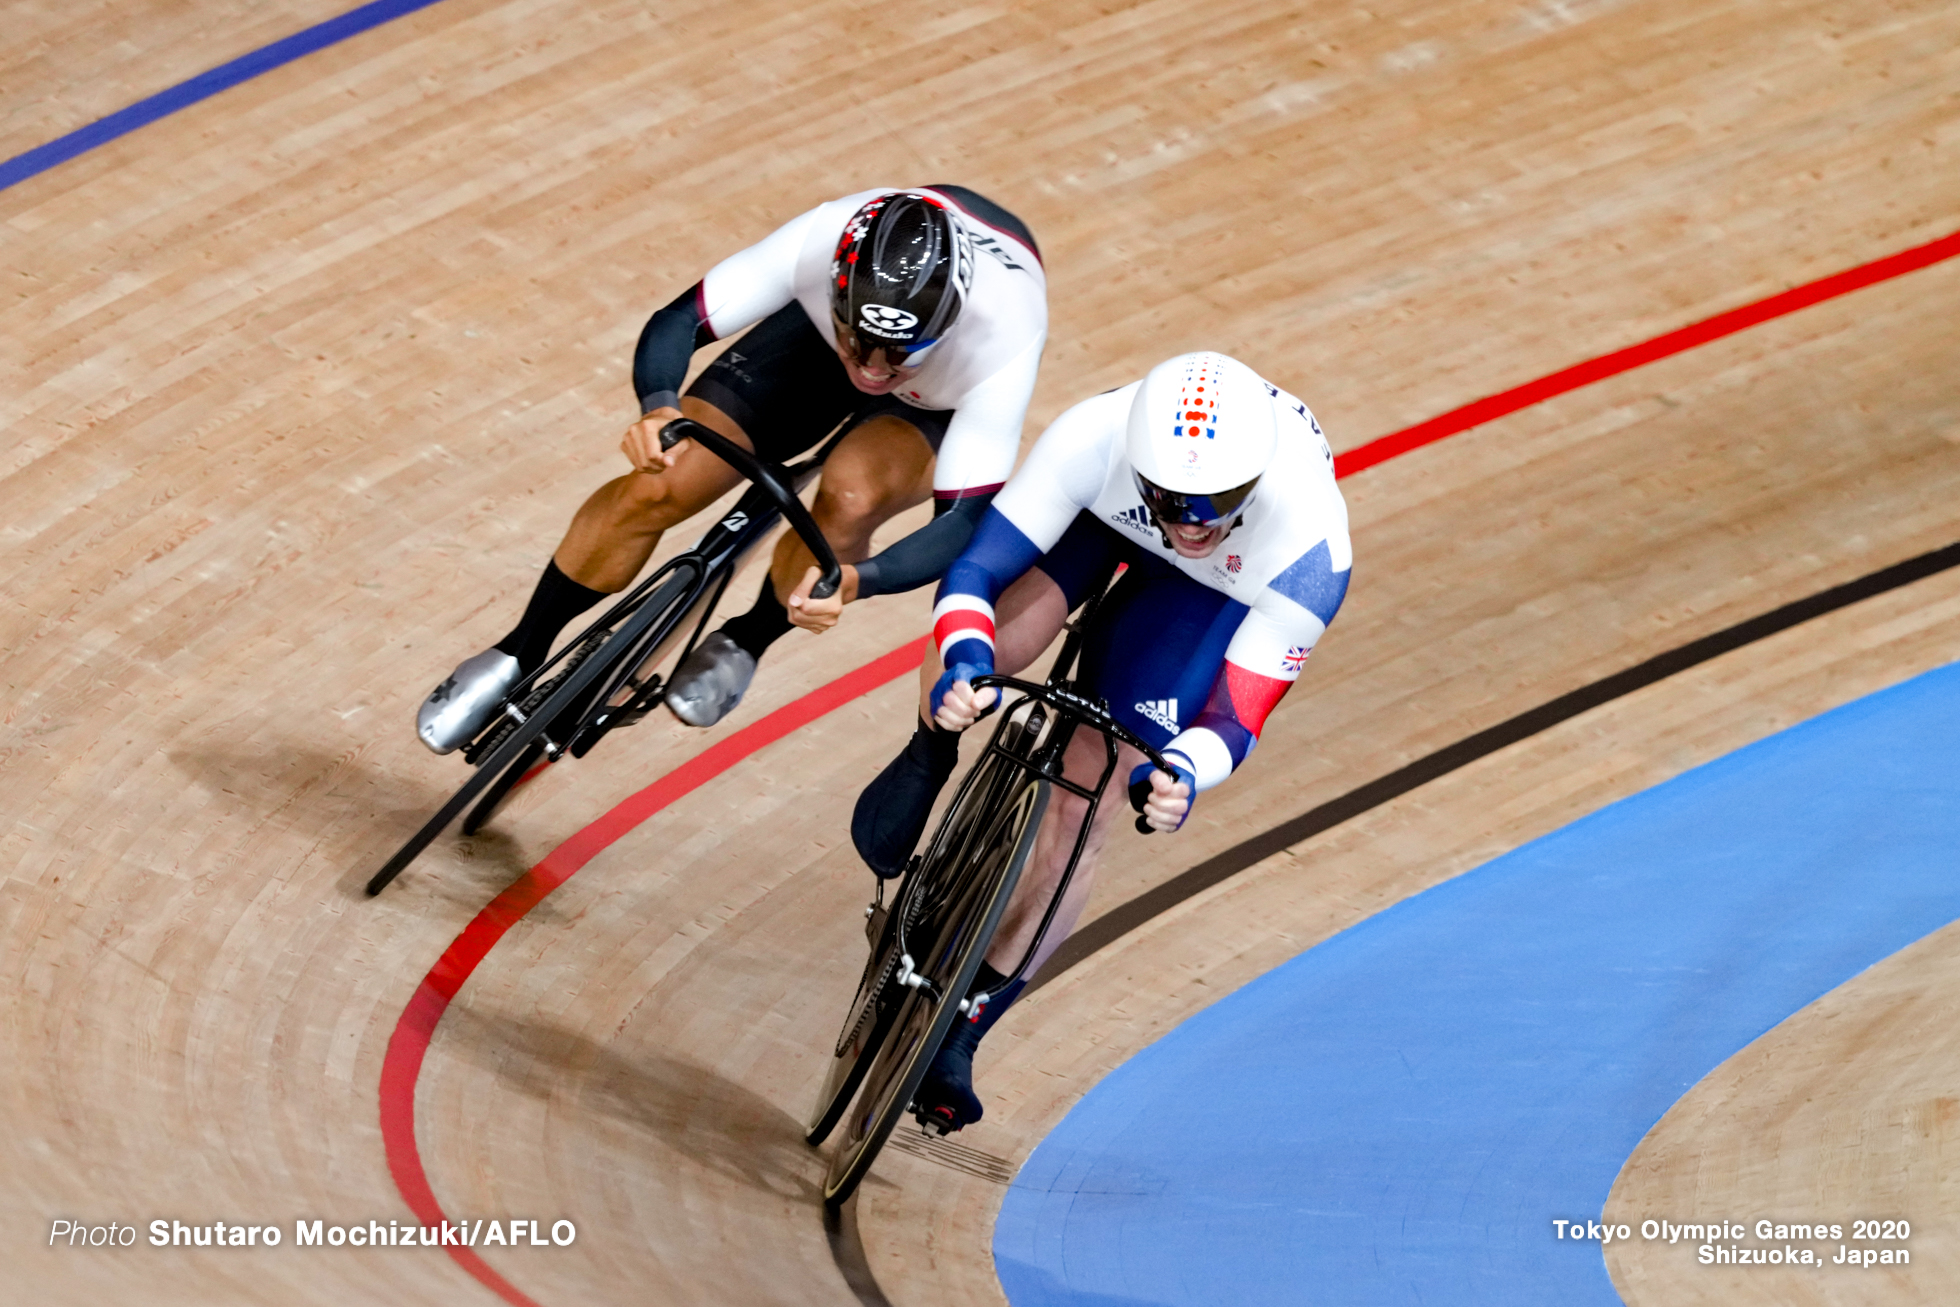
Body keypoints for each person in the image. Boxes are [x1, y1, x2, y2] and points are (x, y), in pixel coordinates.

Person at [850, 351, 1352, 1133]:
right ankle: (930, 749)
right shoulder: (1094, 437)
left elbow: (1233, 718)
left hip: (1215, 589)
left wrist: (1182, 773)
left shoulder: (1310, 546)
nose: (1190, 522)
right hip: (1103, 516)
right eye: (1175, 502)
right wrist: (967, 669)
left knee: (1094, 789)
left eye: (1212, 504)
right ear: (1142, 466)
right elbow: (973, 575)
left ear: (1250, 485)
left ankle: (965, 1025)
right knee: (998, 649)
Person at [416, 186, 1047, 751]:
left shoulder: (1004, 334)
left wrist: (862, 579)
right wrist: (656, 407)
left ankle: (751, 634)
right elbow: (680, 320)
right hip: (814, 345)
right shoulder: (819, 239)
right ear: (835, 286)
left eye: (902, 353)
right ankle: (521, 647)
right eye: (864, 343)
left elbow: (962, 521)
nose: (876, 369)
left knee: (852, 499)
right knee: (663, 482)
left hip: (933, 404)